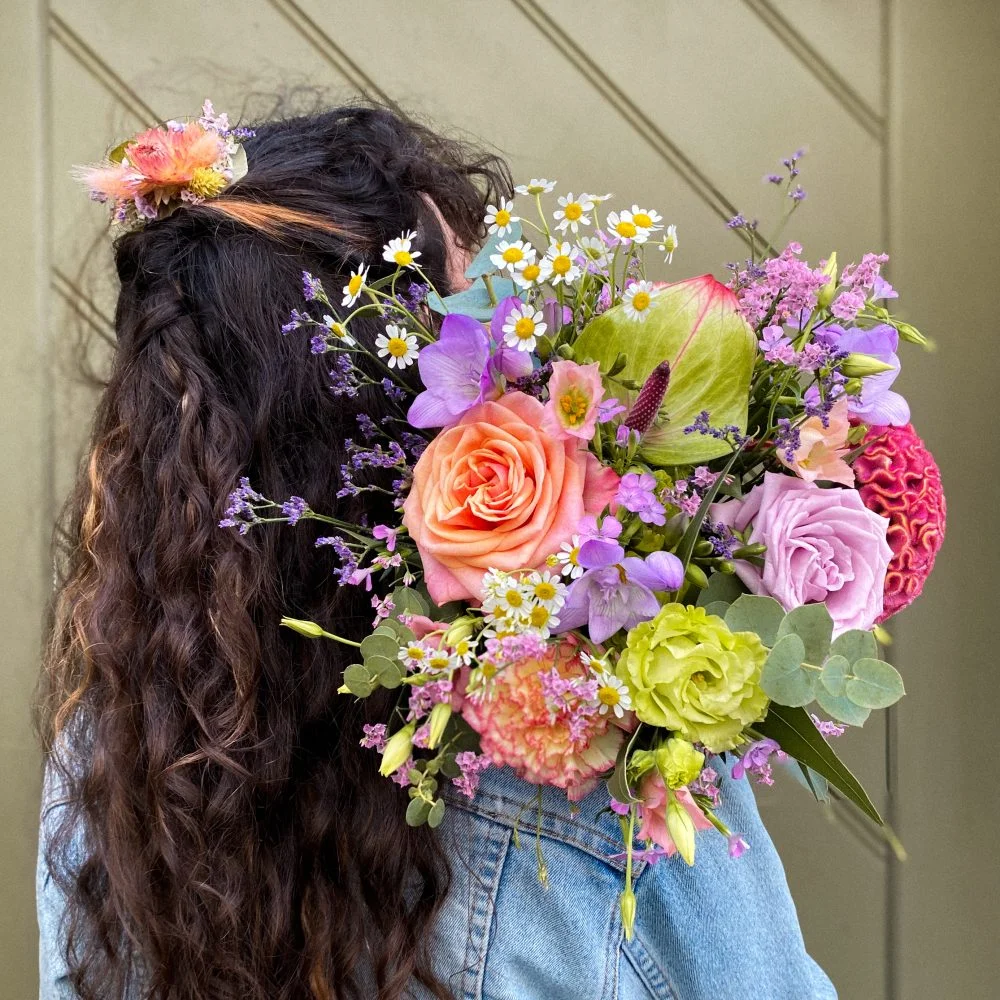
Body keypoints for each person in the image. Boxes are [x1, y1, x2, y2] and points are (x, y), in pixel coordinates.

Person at [35, 101, 837, 999]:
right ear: (375, 407)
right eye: (481, 310)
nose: (525, 365)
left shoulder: (113, 751)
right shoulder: (601, 768)